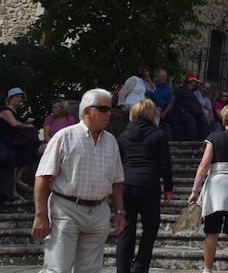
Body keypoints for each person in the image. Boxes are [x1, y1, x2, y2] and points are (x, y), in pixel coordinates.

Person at [32, 88, 127, 273]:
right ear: (86, 111)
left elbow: (116, 180)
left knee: (91, 270)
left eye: (109, 109)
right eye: (103, 109)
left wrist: (120, 211)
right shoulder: (64, 137)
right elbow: (43, 176)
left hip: (99, 211)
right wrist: (40, 214)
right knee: (57, 269)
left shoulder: (111, 141)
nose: (108, 113)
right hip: (66, 209)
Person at [188, 104, 228, 273]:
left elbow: (204, 165)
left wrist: (195, 190)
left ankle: (207, 269)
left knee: (211, 231)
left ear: (223, 120)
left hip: (216, 186)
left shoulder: (214, 137)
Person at [115, 99, 173, 273]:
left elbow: (117, 162)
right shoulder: (158, 134)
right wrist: (168, 188)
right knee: (150, 227)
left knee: (126, 230)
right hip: (148, 184)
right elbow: (164, 163)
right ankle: (140, 267)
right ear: (150, 113)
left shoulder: (123, 135)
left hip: (126, 183)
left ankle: (122, 269)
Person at [0, 88, 39, 193]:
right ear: (10, 98)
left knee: (30, 153)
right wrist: (27, 126)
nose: (19, 99)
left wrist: (26, 124)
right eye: (17, 97)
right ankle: (13, 188)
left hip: (11, 141)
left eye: (21, 97)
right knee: (13, 159)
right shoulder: (5, 110)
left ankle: (17, 179)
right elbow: (14, 124)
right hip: (4, 143)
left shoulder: (14, 111)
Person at [172, 74, 210, 141]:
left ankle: (204, 143)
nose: (196, 84)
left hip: (194, 113)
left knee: (204, 122)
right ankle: (192, 143)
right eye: (195, 82)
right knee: (190, 120)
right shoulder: (182, 89)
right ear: (191, 81)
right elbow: (173, 99)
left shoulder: (192, 92)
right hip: (182, 113)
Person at [146, 69, 176, 138]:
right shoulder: (152, 86)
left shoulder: (168, 88)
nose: (164, 78)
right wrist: (154, 108)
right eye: (163, 76)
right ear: (158, 77)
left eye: (165, 76)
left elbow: (170, 102)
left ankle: (175, 142)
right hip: (153, 109)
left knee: (174, 119)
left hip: (164, 111)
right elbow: (147, 98)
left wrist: (164, 113)